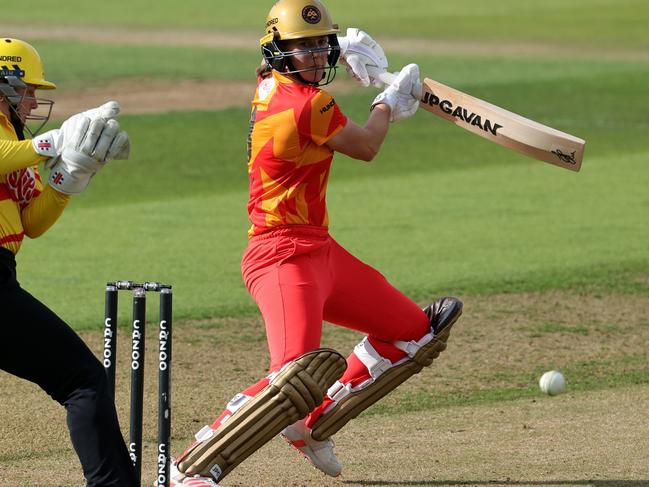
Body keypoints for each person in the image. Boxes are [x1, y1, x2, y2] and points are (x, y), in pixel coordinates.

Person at [169, 1, 463, 485]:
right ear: (279, 51)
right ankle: (193, 470)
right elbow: (367, 146)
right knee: (291, 379)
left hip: (320, 249)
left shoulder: (268, 85)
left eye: (319, 44)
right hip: (281, 257)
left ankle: (312, 426)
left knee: (414, 333)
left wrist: (340, 47)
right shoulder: (308, 104)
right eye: (300, 47)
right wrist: (389, 100)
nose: (312, 55)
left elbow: (281, 67)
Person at [0, 38, 136, 486]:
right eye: (27, 90)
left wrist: (69, 176)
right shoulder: (17, 144)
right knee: (83, 381)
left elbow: (33, 223)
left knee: (80, 380)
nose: (35, 100)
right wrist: (53, 141)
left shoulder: (15, 139)